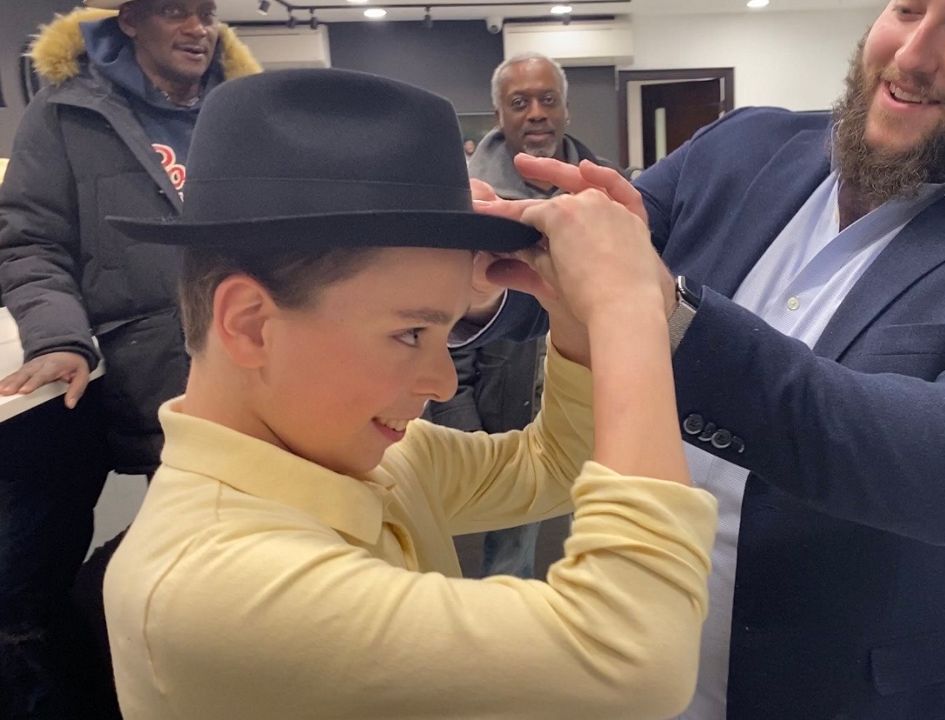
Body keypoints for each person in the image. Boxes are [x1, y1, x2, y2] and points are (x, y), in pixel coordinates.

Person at [476, 0, 945, 716]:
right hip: (638, 677)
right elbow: (576, 264)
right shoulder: (742, 147)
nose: (911, 54)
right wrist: (468, 275)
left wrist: (670, 317)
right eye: (908, 8)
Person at [101, 68, 716, 720]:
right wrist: (627, 310)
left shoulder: (362, 457)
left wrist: (573, 313)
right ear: (251, 324)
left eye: (446, 329)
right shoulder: (213, 588)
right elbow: (635, 660)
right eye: (410, 333)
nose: (443, 381)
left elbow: (553, 466)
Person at [0, 1, 257, 716]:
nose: (197, 28)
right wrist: (58, 336)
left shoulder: (243, 114)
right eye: (175, 12)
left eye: (205, 12)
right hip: (120, 380)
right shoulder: (66, 113)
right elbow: (30, 241)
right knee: (54, 584)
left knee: (227, 576)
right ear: (130, 22)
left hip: (242, 378)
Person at [428, 52, 620, 579]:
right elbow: (444, 327)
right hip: (502, 422)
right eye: (520, 102)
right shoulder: (466, 204)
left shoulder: (605, 192)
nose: (536, 113)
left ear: (566, 110)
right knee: (507, 558)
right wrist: (463, 427)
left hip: (589, 411)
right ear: (498, 115)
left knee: (601, 543)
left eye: (547, 100)